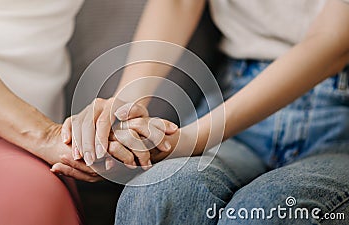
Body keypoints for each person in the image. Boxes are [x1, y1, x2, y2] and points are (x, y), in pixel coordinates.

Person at [59, 0, 349, 224]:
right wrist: (124, 112)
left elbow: (334, 41)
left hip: (339, 122)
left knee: (266, 211)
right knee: (154, 195)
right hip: (234, 97)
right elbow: (179, 3)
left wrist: (192, 139)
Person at [0, 0, 105, 224]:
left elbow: (171, 6)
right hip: (32, 131)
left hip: (14, 144)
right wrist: (44, 134)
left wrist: (118, 110)